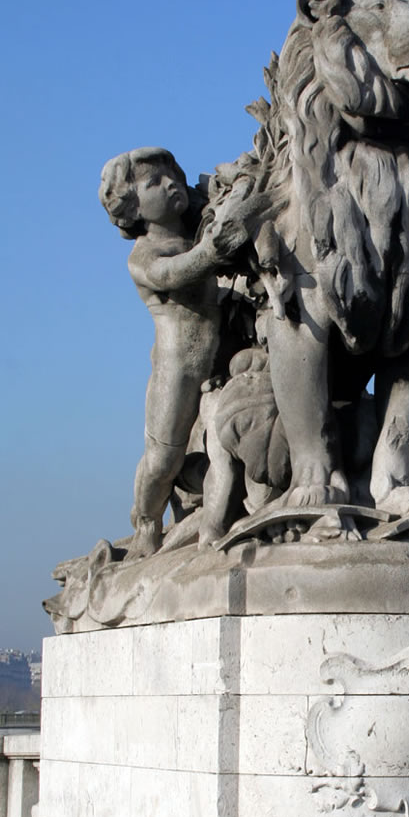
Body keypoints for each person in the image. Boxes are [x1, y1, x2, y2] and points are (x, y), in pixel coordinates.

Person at [99, 147, 256, 558]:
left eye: (173, 176)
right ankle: (147, 522)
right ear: (132, 207)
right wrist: (211, 251)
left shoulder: (195, 229)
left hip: (220, 361)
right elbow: (173, 273)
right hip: (177, 369)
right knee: (162, 458)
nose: (171, 184)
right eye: (154, 183)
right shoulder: (144, 255)